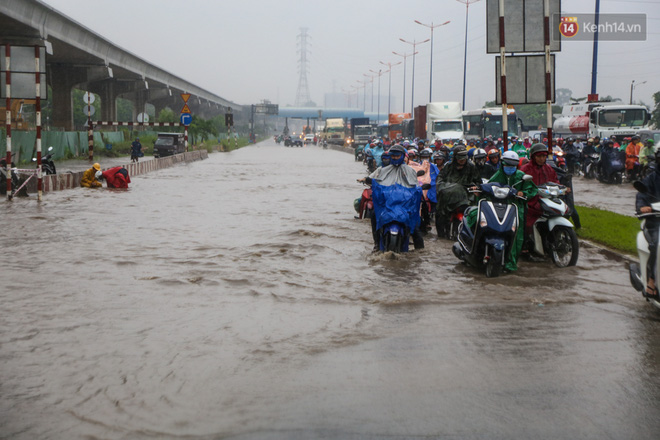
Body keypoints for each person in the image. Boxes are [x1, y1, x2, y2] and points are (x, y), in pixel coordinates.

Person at [364, 145, 424, 252]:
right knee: (374, 215)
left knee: (414, 223)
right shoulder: (383, 170)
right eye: (393, 156)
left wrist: (418, 191)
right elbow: (375, 181)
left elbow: (415, 187)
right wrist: (368, 180)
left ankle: (420, 249)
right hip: (387, 204)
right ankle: (377, 244)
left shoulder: (410, 171)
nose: (395, 158)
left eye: (398, 156)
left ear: (402, 156)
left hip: (404, 204)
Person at [485, 150, 537, 272]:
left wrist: (523, 193)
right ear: (502, 164)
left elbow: (532, 189)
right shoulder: (496, 176)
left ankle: (511, 262)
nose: (510, 168)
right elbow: (488, 190)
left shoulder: (521, 177)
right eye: (507, 165)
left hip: (517, 209)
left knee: (517, 237)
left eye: (513, 166)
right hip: (499, 207)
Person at [435, 145, 481, 238]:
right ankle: (442, 234)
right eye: (460, 159)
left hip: (465, 196)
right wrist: (442, 187)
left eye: (464, 159)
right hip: (448, 195)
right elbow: (440, 179)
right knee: (440, 213)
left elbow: (478, 181)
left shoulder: (471, 167)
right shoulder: (448, 166)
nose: (462, 161)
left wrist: (475, 187)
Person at [520, 143, 562, 235]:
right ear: (533, 157)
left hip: (547, 201)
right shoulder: (525, 169)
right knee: (526, 224)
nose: (541, 159)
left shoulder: (549, 169)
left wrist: (562, 189)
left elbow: (555, 182)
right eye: (539, 156)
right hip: (530, 203)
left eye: (543, 156)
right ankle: (526, 243)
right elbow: (519, 185)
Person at [636, 148, 660, 300]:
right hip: (655, 221)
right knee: (656, 245)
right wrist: (642, 207)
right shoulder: (652, 178)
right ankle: (652, 279)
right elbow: (642, 194)